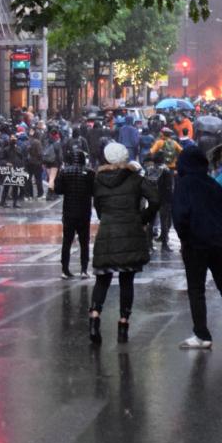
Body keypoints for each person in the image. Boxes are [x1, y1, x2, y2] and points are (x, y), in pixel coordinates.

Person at [171, 146, 222, 349]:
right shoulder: (212, 184)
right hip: (217, 243)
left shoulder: (183, 184)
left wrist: (185, 237)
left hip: (195, 244)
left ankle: (202, 334)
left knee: (196, 289)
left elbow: (179, 215)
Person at [88, 142, 157, 345]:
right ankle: (123, 323)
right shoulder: (135, 178)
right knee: (127, 280)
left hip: (108, 230)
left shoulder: (98, 180)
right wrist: (142, 218)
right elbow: (155, 199)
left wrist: (106, 217)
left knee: (103, 278)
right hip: (130, 230)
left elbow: (98, 206)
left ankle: (94, 316)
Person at [54, 149, 95, 277]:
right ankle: (84, 269)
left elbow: (58, 190)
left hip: (68, 211)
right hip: (84, 211)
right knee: (84, 242)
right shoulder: (89, 173)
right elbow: (94, 191)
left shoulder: (64, 172)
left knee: (67, 241)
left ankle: (65, 269)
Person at [144, 152, 174, 253]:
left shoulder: (149, 170)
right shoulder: (166, 170)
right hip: (164, 200)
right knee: (164, 223)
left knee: (150, 222)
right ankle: (164, 245)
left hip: (151, 199)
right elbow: (169, 187)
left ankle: (149, 244)